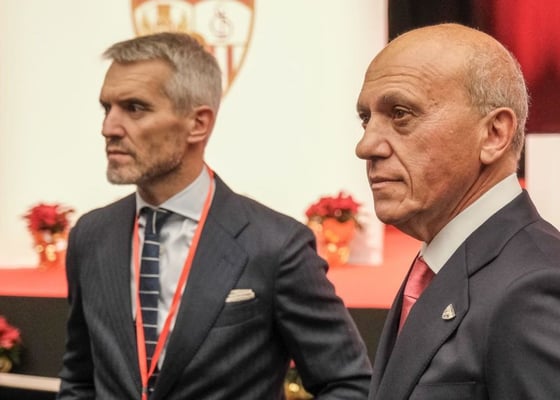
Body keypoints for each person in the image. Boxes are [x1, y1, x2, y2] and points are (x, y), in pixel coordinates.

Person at [56, 32, 372, 400]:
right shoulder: (91, 235)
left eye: (135, 108)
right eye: (106, 108)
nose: (108, 128)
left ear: (198, 123)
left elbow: (349, 383)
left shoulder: (275, 245)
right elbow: (80, 379)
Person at [355, 23, 560, 400]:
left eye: (400, 113)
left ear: (494, 134)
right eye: (366, 119)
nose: (366, 146)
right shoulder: (444, 263)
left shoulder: (532, 289)